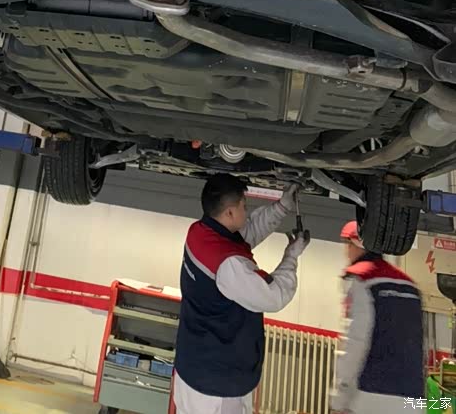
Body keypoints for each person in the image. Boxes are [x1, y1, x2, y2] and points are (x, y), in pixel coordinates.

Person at [174, 174, 310, 414]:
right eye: (243, 207)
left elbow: (246, 235)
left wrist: (282, 207)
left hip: (192, 371)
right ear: (229, 212)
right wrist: (291, 256)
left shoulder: (200, 233)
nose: (246, 212)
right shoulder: (228, 265)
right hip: (218, 388)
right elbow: (274, 296)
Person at [331, 220, 423, 414]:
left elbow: (356, 340)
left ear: (355, 245)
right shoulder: (410, 286)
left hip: (372, 395)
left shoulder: (361, 279)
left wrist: (340, 397)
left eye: (347, 244)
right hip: (413, 399)